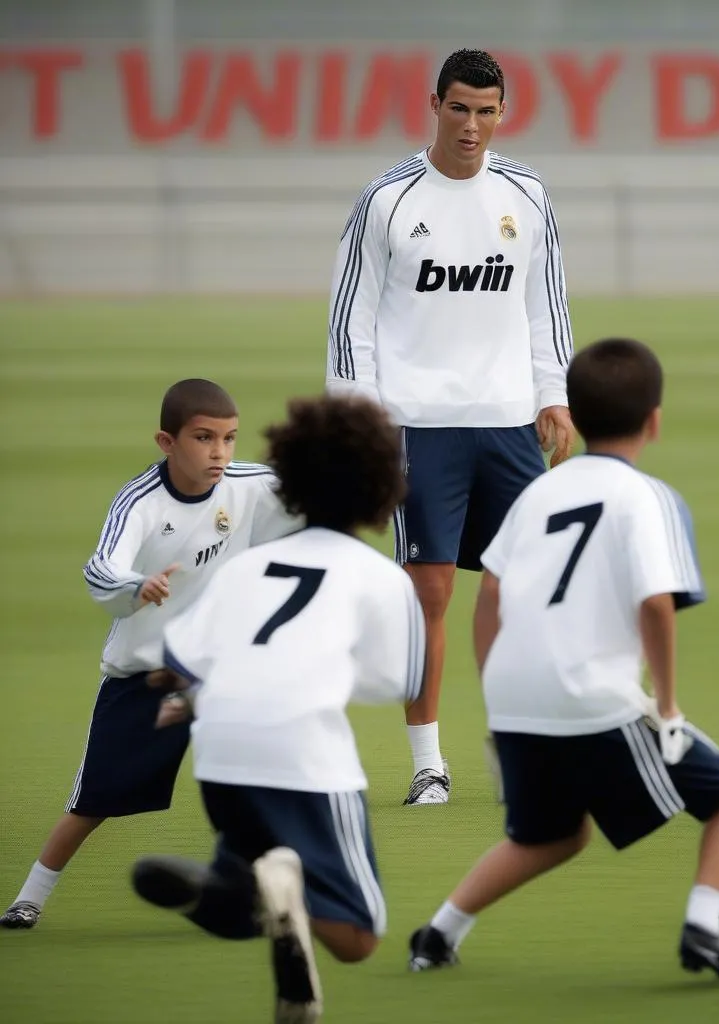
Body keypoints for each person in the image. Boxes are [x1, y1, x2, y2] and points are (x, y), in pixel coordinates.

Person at [407, 338, 719, 983]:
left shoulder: (536, 494)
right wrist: (667, 704)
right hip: (590, 696)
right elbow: (656, 604)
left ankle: (439, 932)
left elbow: (489, 590)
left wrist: (498, 690)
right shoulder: (647, 497)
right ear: (654, 421)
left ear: (574, 410)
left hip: (518, 699)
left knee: (553, 835)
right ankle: (703, 929)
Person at [324, 47, 576, 805]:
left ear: (504, 112)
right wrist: (359, 420)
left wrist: (552, 393)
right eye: (459, 108)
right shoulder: (388, 200)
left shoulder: (527, 195)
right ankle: (428, 763)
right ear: (434, 104)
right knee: (428, 592)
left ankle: (513, 745)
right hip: (417, 425)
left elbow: (546, 306)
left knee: (517, 588)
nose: (472, 126)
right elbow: (351, 321)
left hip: (507, 424)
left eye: (487, 110)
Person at [130, 394, 424, 1024]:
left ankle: (228, 892)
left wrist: (188, 694)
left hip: (221, 752)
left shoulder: (248, 566)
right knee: (358, 935)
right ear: (382, 486)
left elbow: (181, 655)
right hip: (304, 756)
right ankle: (273, 891)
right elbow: (394, 682)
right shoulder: (381, 578)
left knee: (239, 909)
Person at [0, 379, 301, 931]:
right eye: (204, 437)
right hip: (149, 674)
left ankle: (261, 891)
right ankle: (30, 898)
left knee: (259, 784)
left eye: (230, 438)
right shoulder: (140, 501)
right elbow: (101, 569)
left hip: (222, 673)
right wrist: (138, 586)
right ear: (167, 441)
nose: (219, 452)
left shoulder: (249, 485)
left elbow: (317, 492)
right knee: (93, 801)